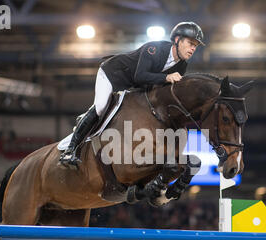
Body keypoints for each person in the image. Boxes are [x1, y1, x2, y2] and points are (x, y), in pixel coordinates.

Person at [59, 22, 205, 168]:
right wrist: (166, 78)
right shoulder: (154, 49)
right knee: (101, 107)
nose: (193, 48)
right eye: (190, 43)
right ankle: (70, 150)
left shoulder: (182, 65)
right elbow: (140, 76)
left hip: (131, 87)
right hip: (112, 75)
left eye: (196, 45)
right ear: (177, 39)